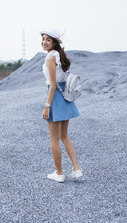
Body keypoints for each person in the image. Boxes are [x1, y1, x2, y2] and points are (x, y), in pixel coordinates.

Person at [40, 29, 82, 183]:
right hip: (65, 97)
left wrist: (47, 106)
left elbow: (52, 85)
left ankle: (59, 173)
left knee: (54, 139)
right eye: (43, 39)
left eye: (48, 40)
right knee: (64, 136)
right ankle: (76, 169)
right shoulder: (59, 55)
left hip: (56, 98)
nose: (44, 42)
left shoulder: (50, 57)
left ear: (54, 42)